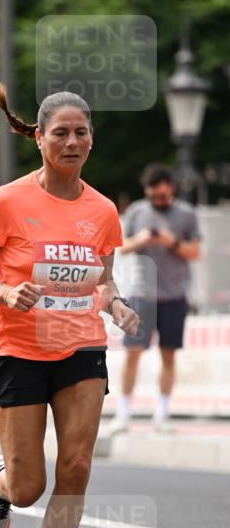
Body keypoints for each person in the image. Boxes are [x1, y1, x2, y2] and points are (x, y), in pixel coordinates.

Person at [0, 84, 139, 528]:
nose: (71, 141)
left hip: (80, 345)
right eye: (59, 132)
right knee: (29, 485)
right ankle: (1, 485)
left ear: (91, 141)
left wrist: (116, 304)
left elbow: (101, 280)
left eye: (80, 132)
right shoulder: (8, 201)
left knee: (78, 465)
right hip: (16, 347)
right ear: (38, 139)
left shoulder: (103, 210)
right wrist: (5, 293)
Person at [109, 164, 201, 433]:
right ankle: (124, 413)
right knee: (132, 354)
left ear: (170, 189)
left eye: (162, 196)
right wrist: (143, 239)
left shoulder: (186, 214)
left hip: (174, 295)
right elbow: (121, 247)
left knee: (168, 355)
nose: (158, 201)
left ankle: (161, 413)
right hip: (142, 293)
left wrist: (170, 242)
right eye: (153, 196)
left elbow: (194, 252)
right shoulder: (137, 211)